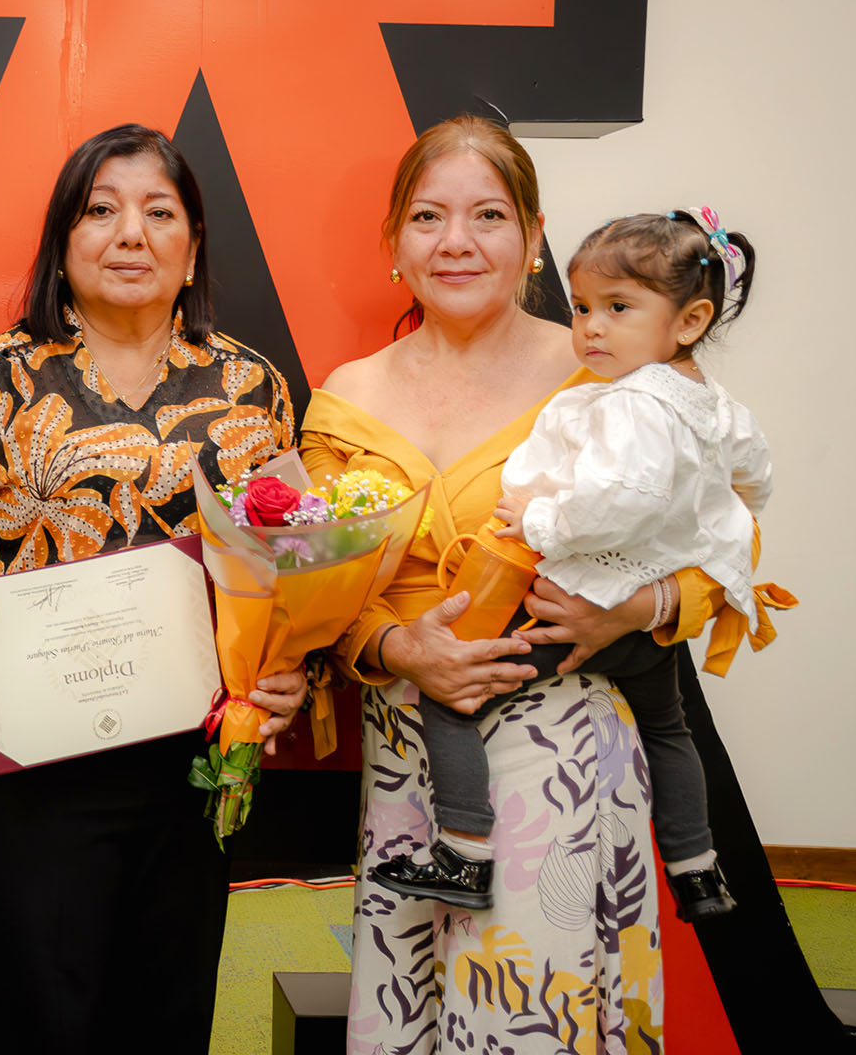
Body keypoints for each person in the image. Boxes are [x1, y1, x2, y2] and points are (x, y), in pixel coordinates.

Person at [300, 116, 748, 1053]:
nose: (456, 242)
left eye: (488, 216)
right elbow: (316, 593)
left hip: (566, 759)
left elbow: (726, 535)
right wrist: (393, 647)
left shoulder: (607, 372)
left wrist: (638, 607)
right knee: (406, 1025)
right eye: (428, 216)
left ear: (534, 235)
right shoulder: (346, 394)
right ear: (394, 242)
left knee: (538, 1025)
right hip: (409, 756)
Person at [0, 123, 306, 1054]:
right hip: (31, 770)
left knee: (166, 1015)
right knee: (26, 1017)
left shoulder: (253, 389)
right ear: (62, 239)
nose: (130, 234)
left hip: (195, 770)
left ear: (193, 242)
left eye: (158, 212)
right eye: (101, 210)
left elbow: (292, 579)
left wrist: (291, 671)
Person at [374, 207, 777, 925]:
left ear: (688, 322)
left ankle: (464, 851)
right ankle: (697, 868)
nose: (590, 326)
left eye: (618, 308)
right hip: (644, 629)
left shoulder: (632, 404)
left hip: (581, 599)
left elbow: (614, 503)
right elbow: (754, 486)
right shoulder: (716, 409)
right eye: (584, 306)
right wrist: (691, 533)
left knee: (450, 697)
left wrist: (535, 516)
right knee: (670, 728)